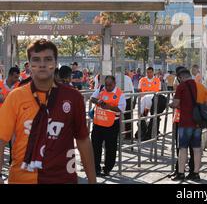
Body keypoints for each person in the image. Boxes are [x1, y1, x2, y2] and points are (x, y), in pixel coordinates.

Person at [0, 39, 96, 184]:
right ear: (29, 64)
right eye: (36, 59)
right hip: (22, 179)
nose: (42, 64)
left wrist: (92, 180)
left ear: (55, 62)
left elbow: (83, 139)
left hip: (62, 178)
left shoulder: (73, 97)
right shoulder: (16, 96)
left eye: (48, 59)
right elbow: (1, 139)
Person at [171, 69, 207, 181]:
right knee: (197, 149)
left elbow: (176, 103)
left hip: (185, 122)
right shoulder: (201, 87)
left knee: (183, 149)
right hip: (198, 123)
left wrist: (171, 104)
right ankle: (195, 173)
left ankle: (181, 173)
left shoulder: (181, 86)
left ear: (180, 77)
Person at [90, 75, 125, 177]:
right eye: (106, 85)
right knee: (95, 147)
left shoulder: (119, 94)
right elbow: (92, 98)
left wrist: (109, 106)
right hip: (98, 123)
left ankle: (107, 169)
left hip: (111, 125)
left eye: (110, 85)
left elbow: (121, 108)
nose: (108, 87)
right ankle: (96, 168)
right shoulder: (101, 89)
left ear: (114, 84)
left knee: (110, 148)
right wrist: (98, 101)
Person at [138, 67, 164, 139]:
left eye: (150, 72)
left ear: (153, 72)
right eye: (148, 72)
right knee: (143, 115)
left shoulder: (157, 80)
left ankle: (154, 131)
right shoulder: (142, 80)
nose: (149, 74)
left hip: (153, 101)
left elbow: (159, 90)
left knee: (155, 117)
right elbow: (139, 89)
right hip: (144, 101)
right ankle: (142, 131)